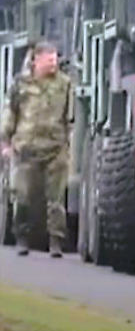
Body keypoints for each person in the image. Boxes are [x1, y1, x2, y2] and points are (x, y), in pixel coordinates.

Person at [0, 41, 74, 257]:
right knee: (22, 196)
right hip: (25, 148)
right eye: (49, 58)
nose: (54, 62)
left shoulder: (65, 83)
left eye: (55, 58)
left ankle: (56, 242)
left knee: (56, 200)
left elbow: (70, 117)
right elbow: (10, 112)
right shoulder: (21, 84)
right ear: (36, 60)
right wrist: (5, 141)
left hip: (55, 149)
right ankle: (22, 238)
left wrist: (68, 142)